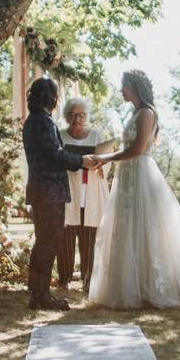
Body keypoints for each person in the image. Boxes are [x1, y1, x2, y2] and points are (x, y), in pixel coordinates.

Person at [90, 70, 180, 311]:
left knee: (146, 226)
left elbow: (138, 149)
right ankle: (135, 287)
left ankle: (153, 287)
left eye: (124, 86)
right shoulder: (135, 113)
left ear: (134, 87)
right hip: (128, 176)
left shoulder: (147, 114)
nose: (121, 90)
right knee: (128, 226)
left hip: (140, 173)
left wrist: (106, 157)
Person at [22, 78, 99, 310]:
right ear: (52, 98)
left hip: (41, 189)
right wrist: (81, 161)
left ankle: (37, 293)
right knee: (49, 242)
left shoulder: (33, 121)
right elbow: (55, 154)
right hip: (49, 191)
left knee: (43, 241)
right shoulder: (43, 122)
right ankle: (41, 295)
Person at [57, 97, 110, 293]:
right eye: (71, 115)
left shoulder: (96, 135)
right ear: (66, 116)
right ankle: (64, 278)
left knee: (89, 238)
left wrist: (99, 162)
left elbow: (106, 160)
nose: (76, 119)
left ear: (86, 116)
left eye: (81, 115)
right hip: (68, 190)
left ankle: (88, 280)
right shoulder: (60, 135)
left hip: (91, 192)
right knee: (66, 237)